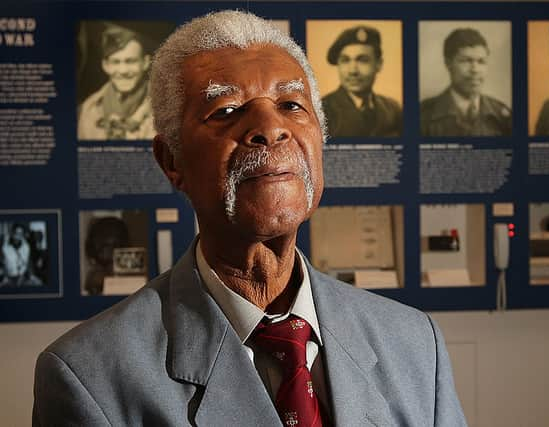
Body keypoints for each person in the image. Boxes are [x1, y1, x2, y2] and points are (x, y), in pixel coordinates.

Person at [33, 11, 466, 427]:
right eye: (225, 110)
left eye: (292, 104)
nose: (270, 127)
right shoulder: (89, 377)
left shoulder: (414, 343)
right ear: (171, 160)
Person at [420, 28, 511, 137]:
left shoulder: (502, 115)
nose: (475, 70)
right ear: (448, 64)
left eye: (481, 61)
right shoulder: (423, 115)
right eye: (466, 61)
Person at [77, 23, 155, 140]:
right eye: (115, 62)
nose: (123, 71)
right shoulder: (89, 109)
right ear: (105, 65)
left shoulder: (165, 108)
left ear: (145, 63)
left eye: (131, 61)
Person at [321, 26, 403, 137]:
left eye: (363, 60)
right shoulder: (322, 111)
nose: (353, 71)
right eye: (345, 60)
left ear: (378, 64)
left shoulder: (392, 109)